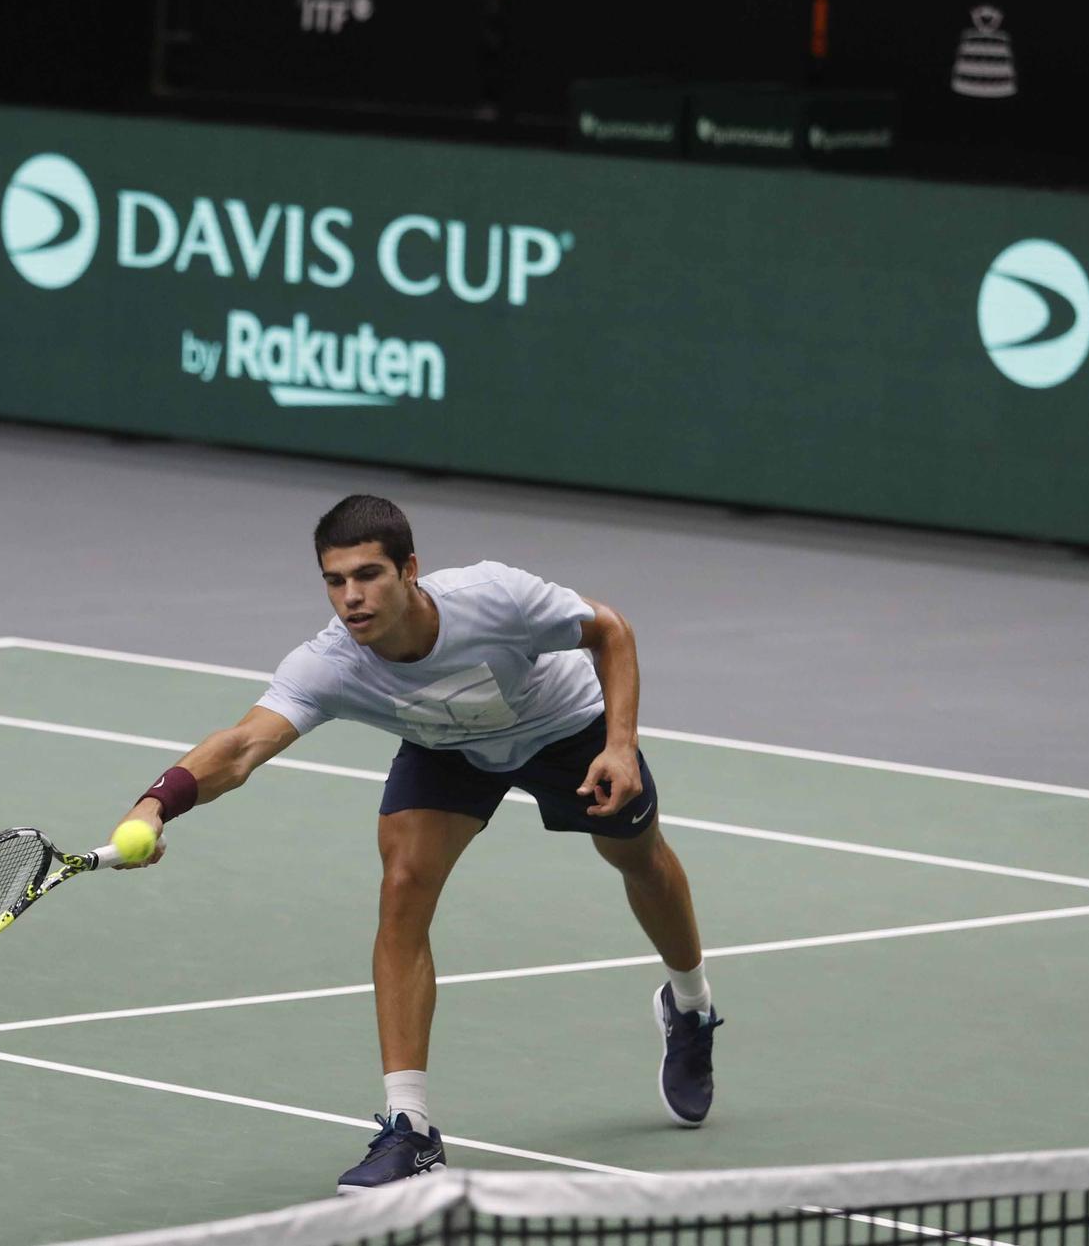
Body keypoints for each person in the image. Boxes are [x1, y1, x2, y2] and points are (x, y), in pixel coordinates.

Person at [109, 495, 722, 1193]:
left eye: (368, 575)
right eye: (335, 581)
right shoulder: (334, 662)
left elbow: (609, 629)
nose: (351, 598)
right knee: (403, 887)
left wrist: (620, 744)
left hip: (564, 729)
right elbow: (244, 744)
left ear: (410, 571)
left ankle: (691, 1004)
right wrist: (157, 803)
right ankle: (411, 1126)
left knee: (637, 859)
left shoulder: (494, 597)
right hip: (448, 745)